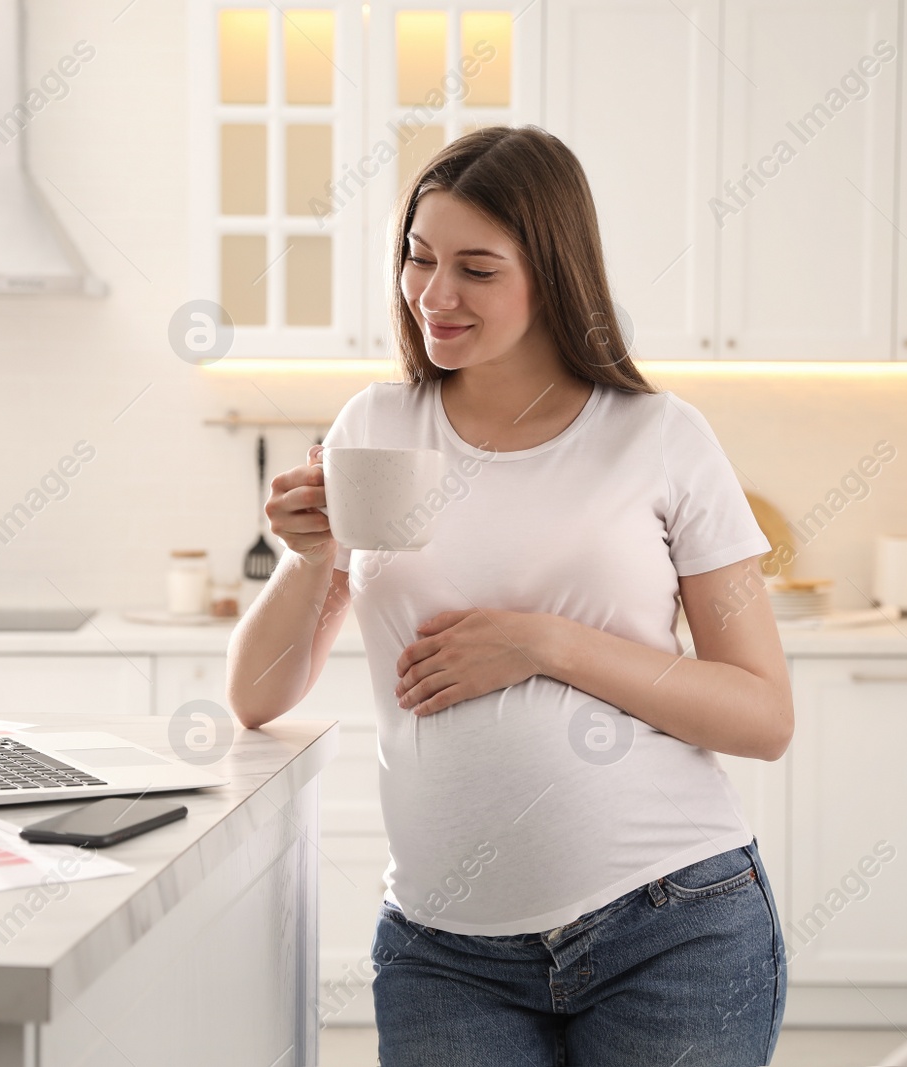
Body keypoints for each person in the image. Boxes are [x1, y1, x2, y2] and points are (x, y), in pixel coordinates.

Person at [225, 125, 792, 1066]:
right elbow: (256, 697)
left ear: (555, 274)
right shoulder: (376, 425)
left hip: (672, 923)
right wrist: (308, 558)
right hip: (446, 954)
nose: (433, 295)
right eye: (418, 257)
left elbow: (763, 714)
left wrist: (546, 645)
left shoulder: (660, 438)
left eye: (476, 269)